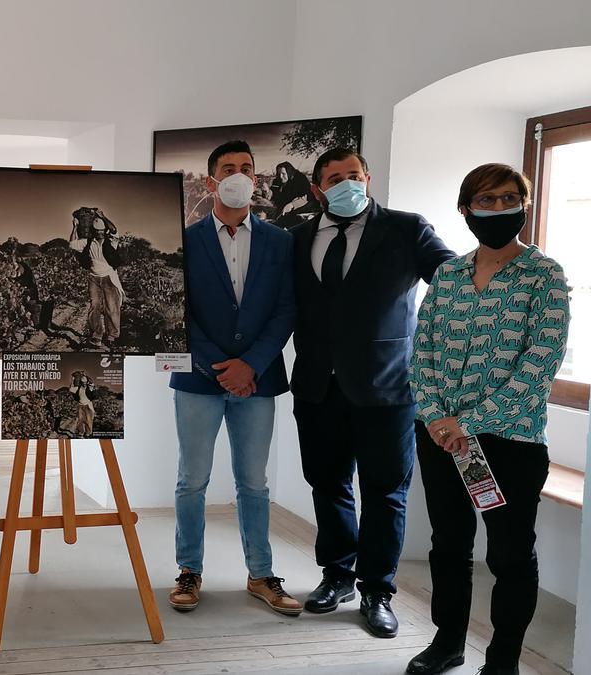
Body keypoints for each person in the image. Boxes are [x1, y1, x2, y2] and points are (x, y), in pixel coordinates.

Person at [406, 164, 570, 675]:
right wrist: (437, 419)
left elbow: (540, 361)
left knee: (510, 555)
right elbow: (423, 351)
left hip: (509, 442)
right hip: (440, 438)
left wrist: (468, 423)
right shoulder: (450, 274)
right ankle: (448, 641)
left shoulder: (545, 276)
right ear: (465, 210)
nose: (498, 209)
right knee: (448, 545)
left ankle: (502, 661)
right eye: (486, 201)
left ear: (524, 204)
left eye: (508, 199)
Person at [289, 148, 455, 638]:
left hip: (388, 387)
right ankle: (337, 575)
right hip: (318, 386)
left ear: (368, 178)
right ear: (318, 188)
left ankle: (376, 591)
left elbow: (453, 281)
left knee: (385, 493)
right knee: (328, 484)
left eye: (353, 175)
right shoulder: (296, 239)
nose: (346, 184)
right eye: (334, 178)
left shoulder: (407, 229)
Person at [167, 140, 300, 618]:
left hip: (257, 381)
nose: (240, 175)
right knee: (192, 481)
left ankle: (261, 573)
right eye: (230, 169)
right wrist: (219, 367)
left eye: (247, 168)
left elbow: (287, 308)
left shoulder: (280, 241)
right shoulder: (183, 239)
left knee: (254, 483)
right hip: (201, 379)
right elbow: (177, 312)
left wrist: (253, 365)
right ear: (211, 181)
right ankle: (188, 571)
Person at [69, 211, 124, 348]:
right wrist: (75, 227)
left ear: (105, 230)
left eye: (102, 230)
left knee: (112, 308)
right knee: (94, 307)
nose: (100, 233)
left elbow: (114, 229)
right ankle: (96, 336)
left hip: (109, 277)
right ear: (93, 231)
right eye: (97, 231)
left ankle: (112, 336)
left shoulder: (112, 241)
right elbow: (72, 244)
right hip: (94, 278)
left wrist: (103, 216)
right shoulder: (87, 242)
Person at [270, 161, 316, 229]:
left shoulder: (300, 179)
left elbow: (306, 197)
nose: (281, 176)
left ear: (289, 172)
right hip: (284, 210)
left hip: (303, 209)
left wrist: (292, 205)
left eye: (283, 174)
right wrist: (268, 192)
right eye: (279, 174)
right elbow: (274, 194)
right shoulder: (278, 180)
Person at [69, 372, 96, 436]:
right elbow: (70, 389)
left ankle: (88, 433)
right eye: (83, 382)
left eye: (85, 382)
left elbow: (92, 382)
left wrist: (85, 375)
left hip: (88, 405)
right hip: (80, 405)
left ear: (87, 382)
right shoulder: (78, 388)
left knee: (89, 420)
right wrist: (73, 380)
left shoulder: (90, 387)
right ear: (81, 382)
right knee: (80, 420)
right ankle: (81, 432)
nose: (84, 384)